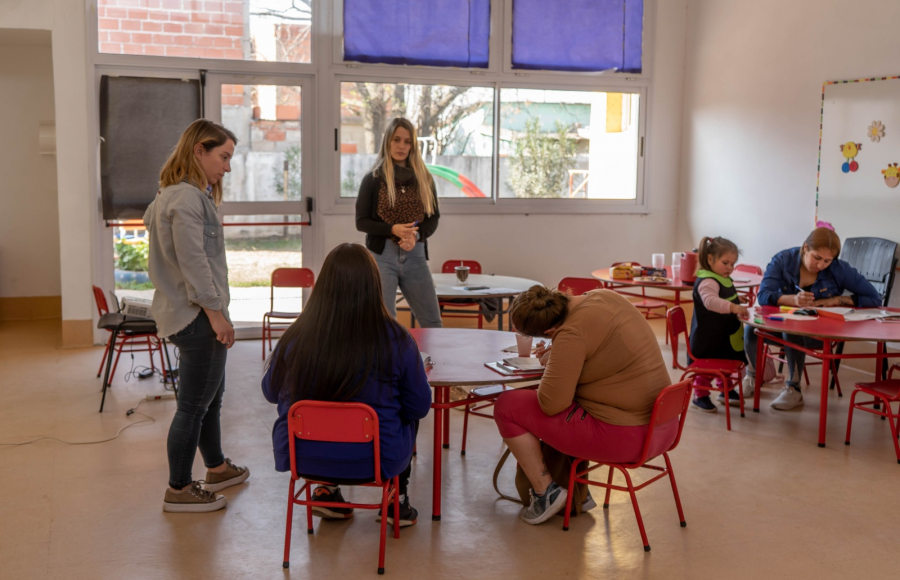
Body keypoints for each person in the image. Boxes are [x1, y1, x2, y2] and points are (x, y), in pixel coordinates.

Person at [262, 243, 432, 526]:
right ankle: (396, 501)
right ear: (374, 284)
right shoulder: (397, 338)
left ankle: (326, 491)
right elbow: (420, 406)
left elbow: (270, 392)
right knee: (407, 411)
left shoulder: (295, 336)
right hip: (375, 459)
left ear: (323, 285)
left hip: (303, 456)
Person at [493, 286, 675, 525]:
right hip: (662, 426)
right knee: (560, 400)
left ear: (550, 330)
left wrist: (558, 354)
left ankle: (546, 492)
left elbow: (551, 404)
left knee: (507, 405)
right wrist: (558, 354)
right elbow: (601, 355)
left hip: (627, 437)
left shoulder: (571, 333)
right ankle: (581, 490)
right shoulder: (603, 296)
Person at [144, 119, 249, 513]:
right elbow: (194, 263)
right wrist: (217, 316)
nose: (227, 167)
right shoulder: (186, 199)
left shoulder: (166, 197)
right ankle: (179, 487)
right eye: (222, 156)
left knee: (209, 400)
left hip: (183, 314)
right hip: (197, 318)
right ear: (198, 151)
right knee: (193, 406)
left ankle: (217, 467)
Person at [743, 227, 881, 410]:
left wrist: (835, 300)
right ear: (805, 248)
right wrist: (791, 299)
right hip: (780, 326)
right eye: (817, 257)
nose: (821, 265)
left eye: (827, 261)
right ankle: (751, 376)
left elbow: (874, 298)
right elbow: (764, 295)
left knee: (792, 330)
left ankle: (794, 389)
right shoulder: (783, 260)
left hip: (816, 334)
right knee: (752, 328)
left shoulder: (839, 269)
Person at [355, 117, 442, 328]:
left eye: (407, 141)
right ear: (387, 142)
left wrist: (416, 236)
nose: (402, 146)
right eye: (396, 140)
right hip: (381, 257)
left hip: (416, 256)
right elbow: (361, 222)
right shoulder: (373, 179)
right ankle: (387, 362)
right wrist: (391, 229)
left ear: (413, 145)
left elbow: (433, 218)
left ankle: (434, 362)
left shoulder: (425, 179)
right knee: (383, 323)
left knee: (432, 321)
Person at [688, 236, 750, 412]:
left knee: (726, 361)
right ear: (710, 259)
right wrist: (733, 306)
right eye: (726, 263)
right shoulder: (708, 280)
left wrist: (737, 298)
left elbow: (723, 293)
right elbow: (711, 302)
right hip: (709, 337)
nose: (730, 268)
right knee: (708, 368)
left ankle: (726, 390)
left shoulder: (720, 277)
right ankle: (700, 396)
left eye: (733, 264)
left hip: (722, 335)